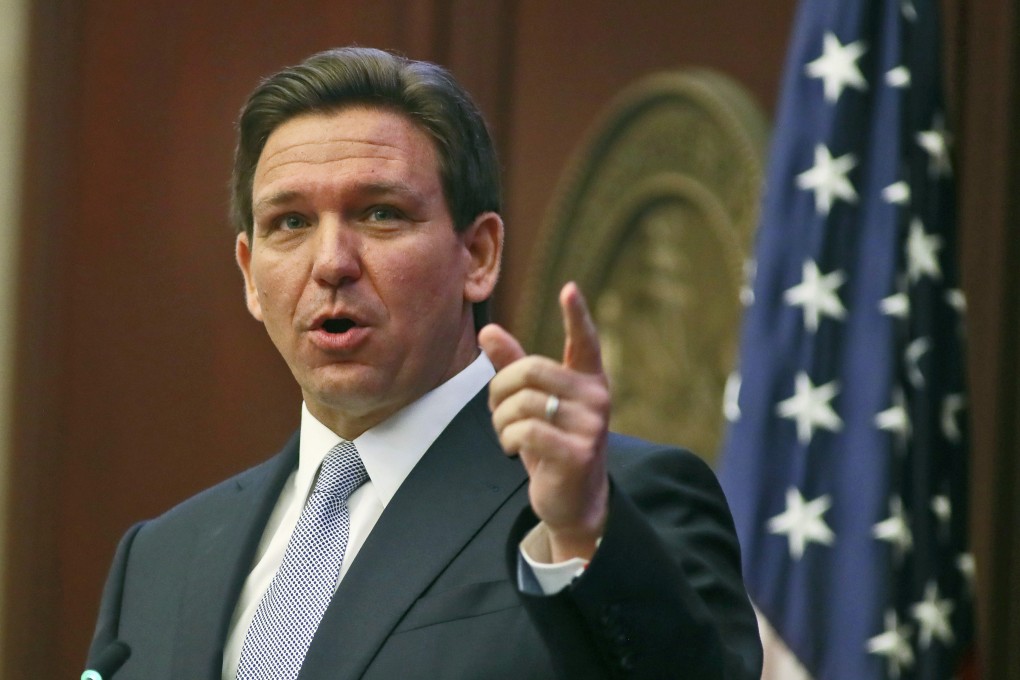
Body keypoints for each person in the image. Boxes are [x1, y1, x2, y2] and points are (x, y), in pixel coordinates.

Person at [86, 46, 762, 679]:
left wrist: (585, 532)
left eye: (380, 213)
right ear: (250, 276)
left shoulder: (613, 504)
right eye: (290, 223)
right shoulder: (159, 558)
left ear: (479, 256)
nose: (331, 263)